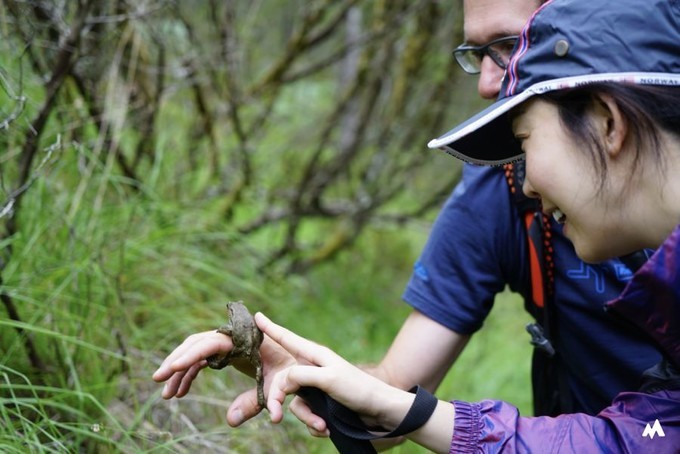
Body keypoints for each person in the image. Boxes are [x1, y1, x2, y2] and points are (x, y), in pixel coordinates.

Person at [152, 0, 662, 437]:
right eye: (476, 54)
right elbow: (394, 391)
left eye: (510, 44)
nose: (488, 82)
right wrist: (297, 372)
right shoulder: (503, 188)